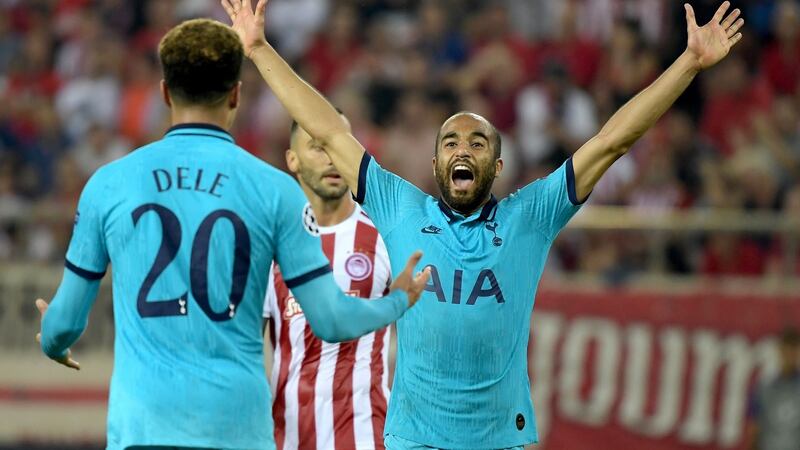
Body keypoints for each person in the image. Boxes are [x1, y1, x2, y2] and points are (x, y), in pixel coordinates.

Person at [222, 0, 744, 447]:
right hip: (413, 438)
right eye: (450, 142)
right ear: (434, 165)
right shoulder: (401, 207)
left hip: (501, 438)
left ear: (497, 167)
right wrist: (260, 50)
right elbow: (329, 130)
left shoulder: (531, 217)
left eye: (477, 143)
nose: (462, 149)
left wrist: (690, 64)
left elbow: (611, 142)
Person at [34, 18, 429, 450]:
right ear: (236, 94)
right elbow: (332, 320)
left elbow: (65, 322)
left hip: (142, 427)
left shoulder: (109, 184)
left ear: (165, 91)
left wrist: (54, 341)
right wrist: (397, 301)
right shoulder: (274, 190)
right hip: (237, 429)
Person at [264, 115, 394, 449]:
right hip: (285, 438)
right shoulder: (268, 244)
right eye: (318, 147)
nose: (331, 158)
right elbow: (252, 347)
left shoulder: (386, 236)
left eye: (337, 146)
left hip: (367, 436)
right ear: (292, 159)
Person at [746, 327, 800, 450]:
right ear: (780, 350)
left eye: (794, 349)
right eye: (787, 349)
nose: (790, 354)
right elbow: (754, 427)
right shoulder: (764, 387)